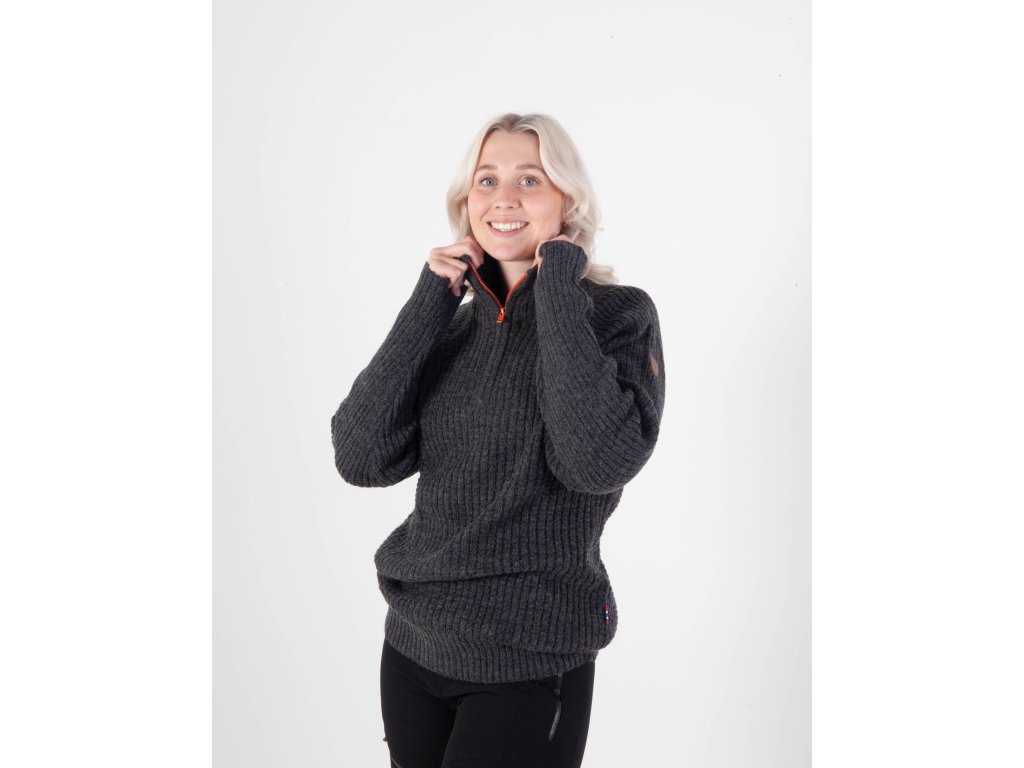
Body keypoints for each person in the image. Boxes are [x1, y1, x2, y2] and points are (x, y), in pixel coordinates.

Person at [330, 112, 666, 768]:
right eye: (486, 180)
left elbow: (595, 462)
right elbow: (361, 456)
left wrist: (559, 280)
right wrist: (431, 300)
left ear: (569, 202)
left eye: (530, 180)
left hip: (528, 659)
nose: (503, 198)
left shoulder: (618, 316)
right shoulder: (452, 327)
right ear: (466, 202)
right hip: (413, 646)